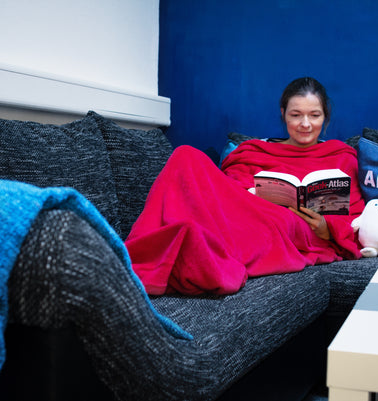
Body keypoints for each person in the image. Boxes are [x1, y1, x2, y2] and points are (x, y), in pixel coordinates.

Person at [125, 77, 365, 296]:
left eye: (314, 115)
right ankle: (134, 258)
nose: (305, 124)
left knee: (281, 219)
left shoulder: (341, 156)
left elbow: (356, 218)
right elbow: (228, 190)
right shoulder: (253, 151)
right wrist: (255, 193)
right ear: (283, 114)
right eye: (296, 115)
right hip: (252, 213)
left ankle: (202, 252)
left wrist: (327, 228)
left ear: (325, 117)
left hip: (296, 229)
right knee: (185, 155)